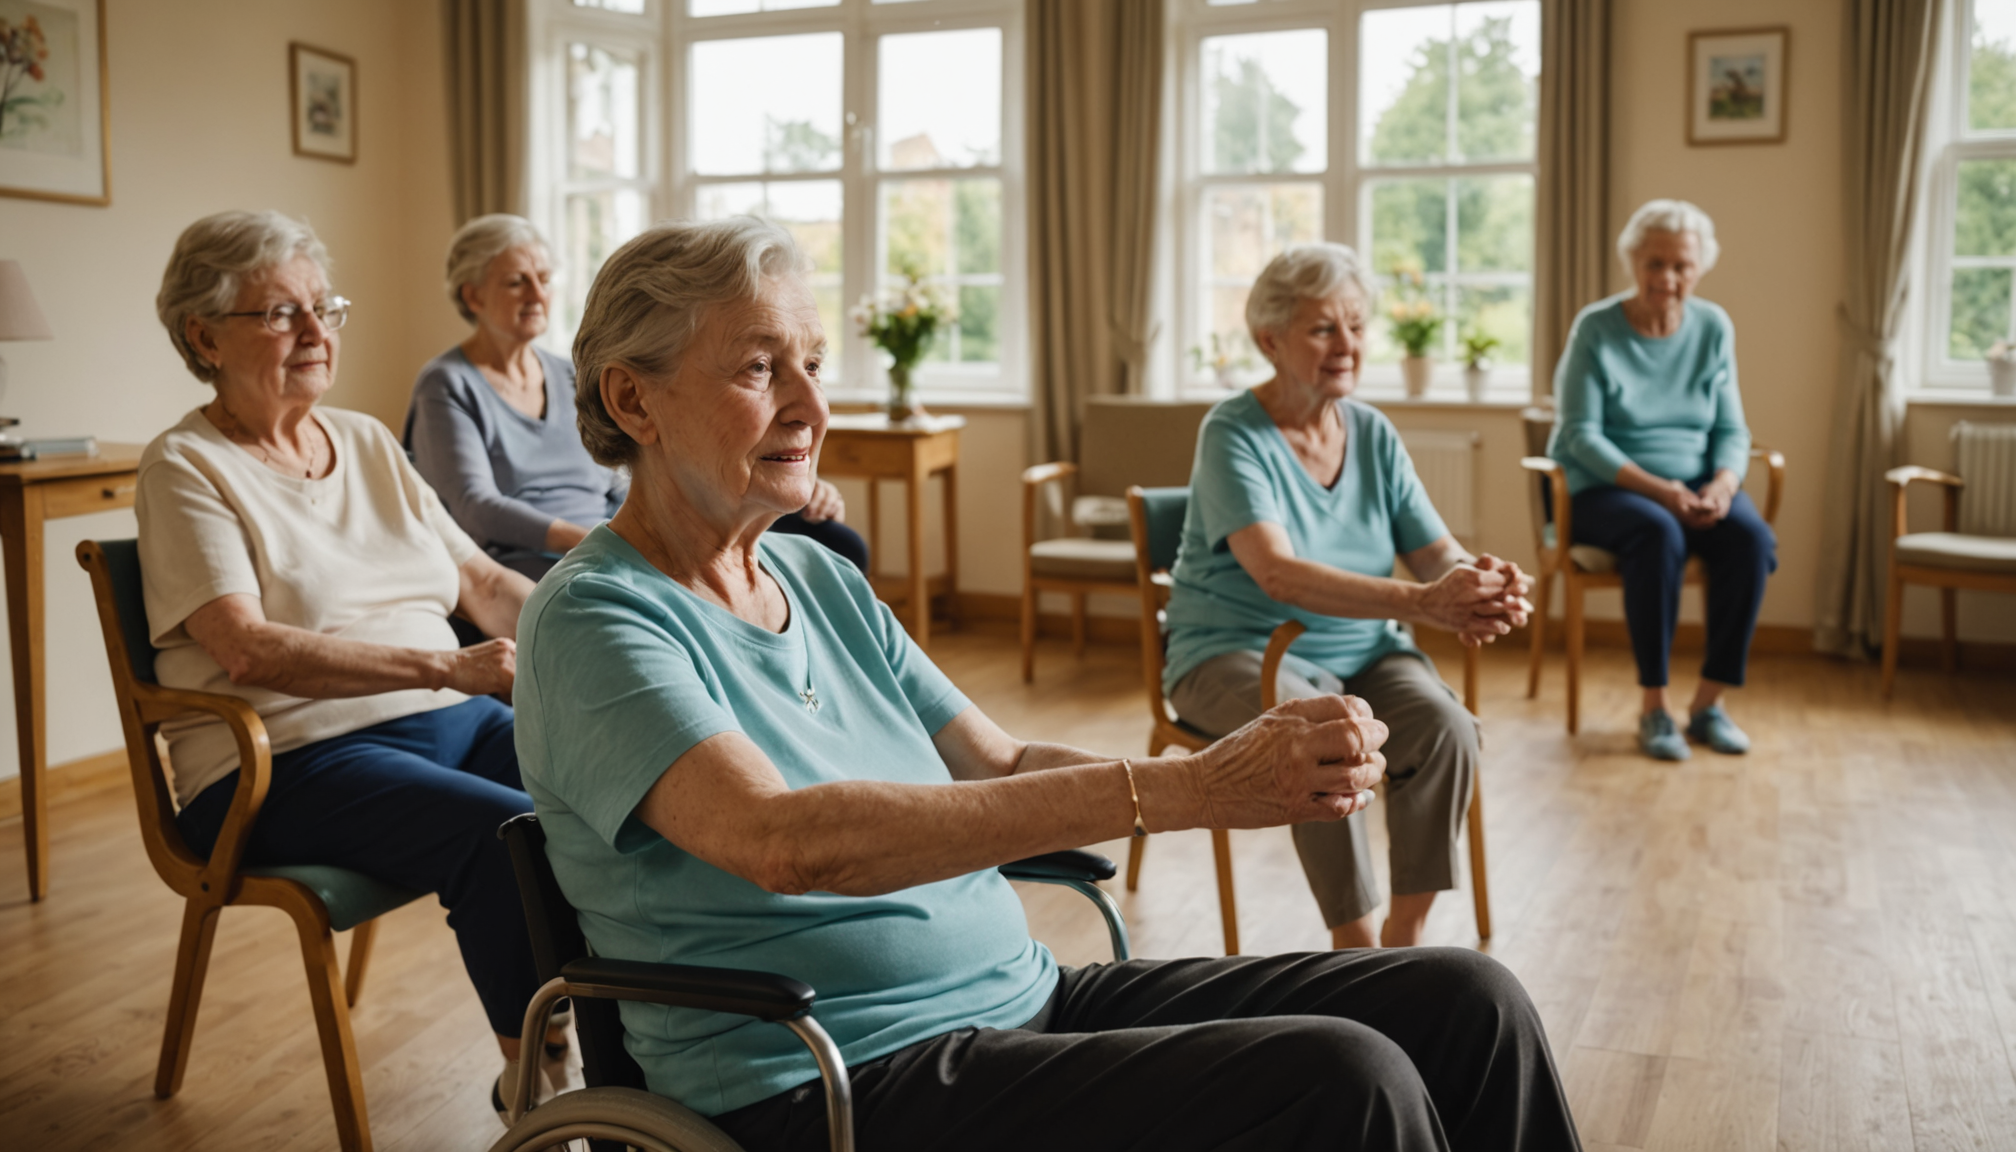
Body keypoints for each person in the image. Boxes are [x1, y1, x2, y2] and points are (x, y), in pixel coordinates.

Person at [514, 217, 1580, 1151]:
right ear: (631, 400)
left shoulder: (815, 577)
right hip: (828, 1081)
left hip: (1020, 1003)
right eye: (759, 370)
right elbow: (790, 841)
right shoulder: (596, 617)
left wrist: (1232, 774)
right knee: (1347, 1080)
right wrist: (1188, 793)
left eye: (815, 365)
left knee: (1462, 1001)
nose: (810, 405)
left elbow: (1007, 761)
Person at [143, 210, 553, 1114]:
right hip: (283, 763)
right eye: (281, 314)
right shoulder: (187, 467)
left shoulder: (366, 440)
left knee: (607, 787)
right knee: (509, 837)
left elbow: (481, 581)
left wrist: (624, 626)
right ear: (203, 335)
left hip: (446, 722)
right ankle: (540, 1092)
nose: (318, 332)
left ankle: (623, 1028)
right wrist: (443, 670)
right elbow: (245, 647)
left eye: (324, 307)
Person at [1163, 243, 1531, 951]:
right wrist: (1426, 603)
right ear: (1270, 339)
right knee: (1322, 738)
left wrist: (1477, 581)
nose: (1349, 346)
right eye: (1324, 329)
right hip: (1230, 654)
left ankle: (1403, 944)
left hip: (1364, 652)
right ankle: (1355, 952)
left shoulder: (1372, 434)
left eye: (1357, 327)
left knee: (1447, 729)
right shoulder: (1233, 433)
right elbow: (1279, 575)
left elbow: (1435, 551)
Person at [405, 213, 866, 581]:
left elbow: (625, 478)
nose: (537, 293)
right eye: (516, 281)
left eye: (544, 279)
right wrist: (589, 538)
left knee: (834, 542)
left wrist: (782, 471)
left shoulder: (565, 372)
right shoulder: (447, 384)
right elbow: (475, 507)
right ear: (474, 295)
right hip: (528, 557)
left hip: (608, 534)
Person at [1548, 199, 1776, 762]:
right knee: (1659, 534)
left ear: (1699, 268)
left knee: (1751, 540)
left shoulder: (1712, 326)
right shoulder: (1597, 328)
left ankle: (1707, 705)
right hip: (1605, 488)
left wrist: (1723, 484)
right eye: (1655, 264)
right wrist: (1661, 491)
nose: (1668, 279)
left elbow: (1731, 427)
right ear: (1633, 262)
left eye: (1681, 266)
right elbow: (1580, 435)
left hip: (1695, 483)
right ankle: (1654, 707)